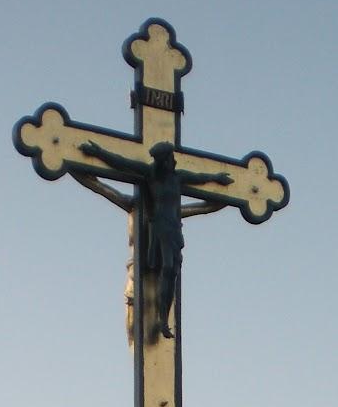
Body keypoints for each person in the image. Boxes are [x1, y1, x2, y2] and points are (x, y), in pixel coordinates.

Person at [81, 140, 231, 337]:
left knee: (172, 271)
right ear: (164, 160)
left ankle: (163, 319)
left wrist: (217, 177)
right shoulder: (150, 174)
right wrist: (99, 151)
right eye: (170, 158)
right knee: (167, 267)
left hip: (175, 228)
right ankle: (162, 320)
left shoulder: (177, 178)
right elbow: (121, 163)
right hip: (159, 227)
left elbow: (200, 178)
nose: (174, 161)